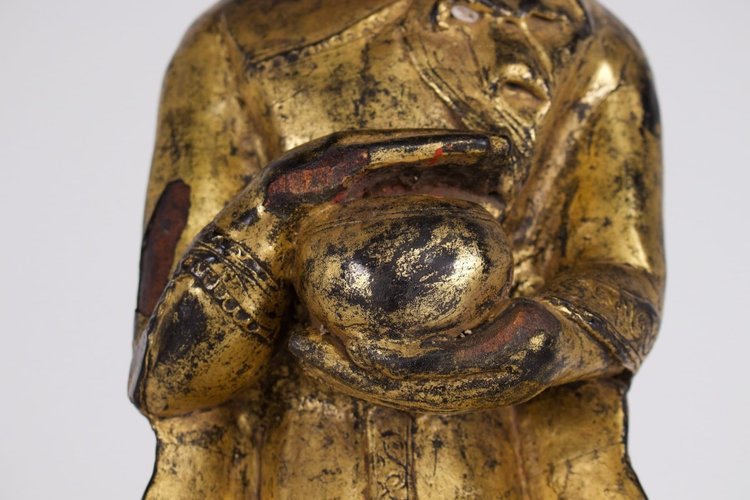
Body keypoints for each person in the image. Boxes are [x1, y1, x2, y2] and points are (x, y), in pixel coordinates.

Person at [129, 0, 664, 497]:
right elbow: (165, 377)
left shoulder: (588, 45)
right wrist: (269, 213)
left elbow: (624, 270)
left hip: (488, 461)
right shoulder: (239, 41)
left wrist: (546, 342)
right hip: (302, 456)